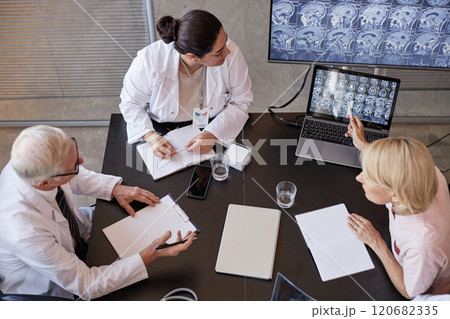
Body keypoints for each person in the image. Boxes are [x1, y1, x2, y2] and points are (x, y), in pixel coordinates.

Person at [0, 125, 196, 300]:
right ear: (44, 183)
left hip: (75, 232)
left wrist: (115, 189)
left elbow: (72, 176)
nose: (82, 161)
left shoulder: (29, 162)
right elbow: (87, 286)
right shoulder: (25, 232)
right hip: (54, 284)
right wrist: (146, 256)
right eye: (75, 164)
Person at [119, 9, 253, 158]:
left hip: (215, 122)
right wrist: (151, 136)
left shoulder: (230, 52)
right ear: (193, 57)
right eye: (218, 52)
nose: (227, 52)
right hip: (162, 129)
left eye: (226, 40)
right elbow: (131, 105)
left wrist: (212, 134)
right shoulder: (148, 62)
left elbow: (241, 101)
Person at [345, 116, 450, 299]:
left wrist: (375, 242)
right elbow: (400, 166)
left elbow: (409, 292)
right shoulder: (425, 171)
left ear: (396, 195)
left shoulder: (421, 246)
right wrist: (364, 146)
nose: (359, 178)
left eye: (369, 176)